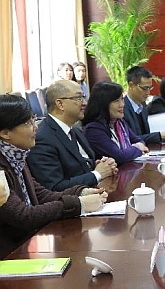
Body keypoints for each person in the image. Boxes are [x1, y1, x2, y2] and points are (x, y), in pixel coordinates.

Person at [0, 94, 107, 258]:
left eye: (34, 119)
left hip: (28, 245)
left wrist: (80, 192)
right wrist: (78, 204)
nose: (36, 127)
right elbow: (24, 216)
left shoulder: (15, 155)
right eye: (28, 123)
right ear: (5, 133)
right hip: (10, 254)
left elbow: (41, 194)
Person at [27, 80, 118, 191]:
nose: (85, 103)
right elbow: (54, 187)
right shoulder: (42, 138)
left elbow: (79, 166)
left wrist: (100, 165)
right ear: (60, 104)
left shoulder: (74, 130)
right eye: (79, 98)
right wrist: (97, 174)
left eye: (84, 97)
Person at [82, 82, 149, 165]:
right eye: (116, 101)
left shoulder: (119, 122)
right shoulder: (93, 129)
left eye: (122, 99)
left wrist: (136, 147)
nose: (122, 104)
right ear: (103, 104)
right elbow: (119, 156)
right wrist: (137, 148)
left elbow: (138, 140)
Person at [123, 66, 165, 143]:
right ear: (131, 85)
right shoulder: (122, 109)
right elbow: (130, 140)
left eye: (150, 88)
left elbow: (148, 132)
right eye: (144, 88)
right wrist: (159, 136)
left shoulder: (142, 105)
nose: (148, 92)